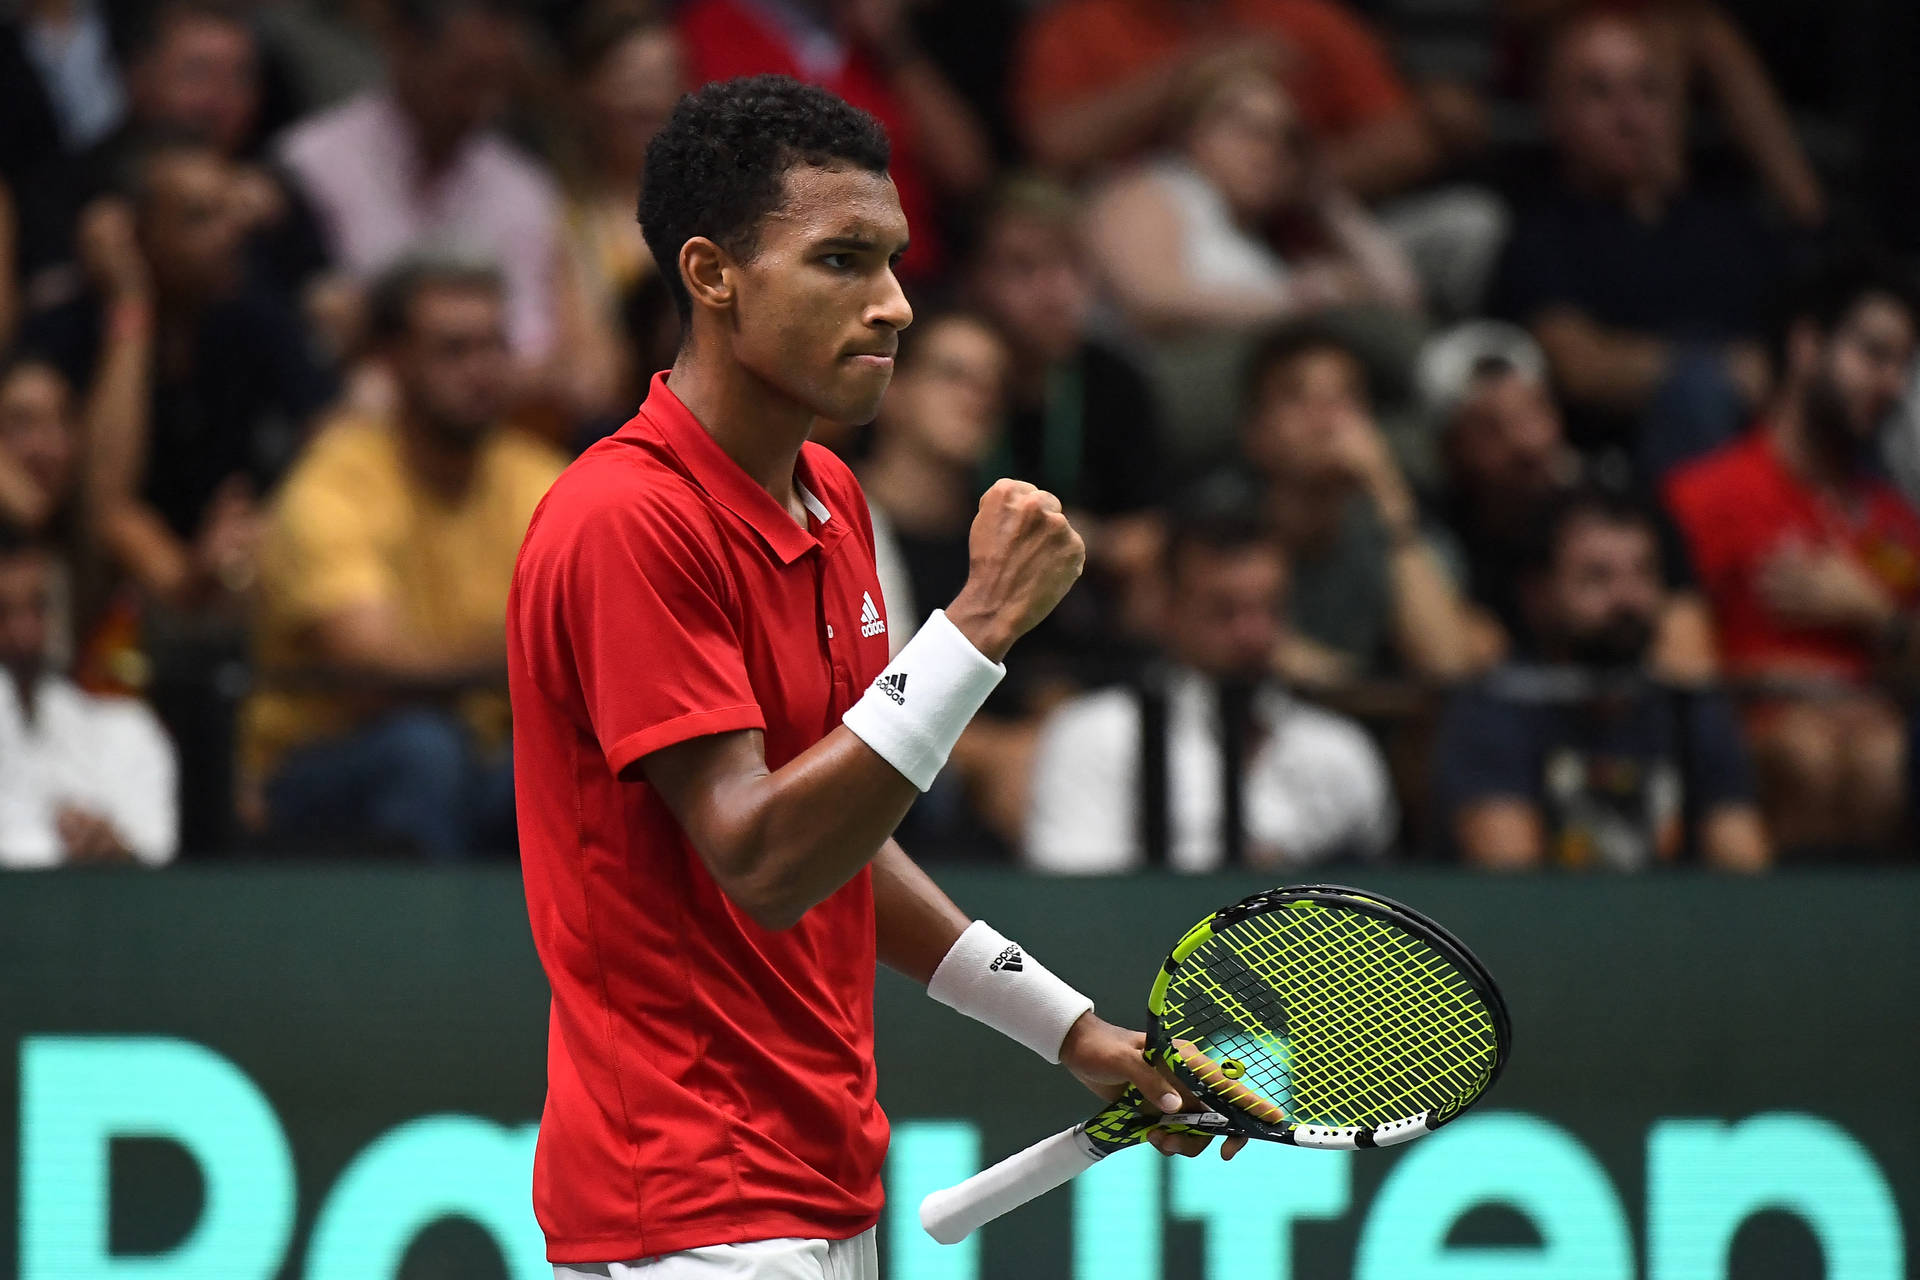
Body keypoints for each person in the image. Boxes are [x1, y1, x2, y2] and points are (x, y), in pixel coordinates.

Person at [509, 76, 1238, 1280]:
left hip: (818, 1182)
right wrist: (979, 624)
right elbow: (763, 857)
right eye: (842, 261)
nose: (895, 304)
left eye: (895, 260)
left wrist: (1072, 1030)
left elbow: (843, 836)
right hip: (696, 1207)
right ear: (712, 274)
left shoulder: (828, 497)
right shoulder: (624, 520)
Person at [243, 258, 563, 858]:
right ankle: (430, 950)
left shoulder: (542, 480)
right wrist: (524, 647)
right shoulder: (333, 483)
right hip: (320, 766)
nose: (482, 370)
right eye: (453, 350)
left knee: (577, 762)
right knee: (423, 748)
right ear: (391, 360)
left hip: (486, 759)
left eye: (494, 345)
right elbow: (372, 676)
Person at [1664, 256, 1920, 853]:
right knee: (1808, 750)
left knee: (1883, 755)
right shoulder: (1703, 496)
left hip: (1875, 748)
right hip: (1756, 750)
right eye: (1873, 356)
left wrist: (1876, 616)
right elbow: (1678, 666)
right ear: (1806, 346)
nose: (1893, 385)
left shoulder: (1896, 521)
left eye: (1902, 366)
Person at [1488, 7, 1794, 476]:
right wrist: (1727, 371)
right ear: (1553, 113)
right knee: (1700, 391)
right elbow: (1582, 368)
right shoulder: (1541, 236)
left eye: (1648, 91)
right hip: (1627, 476)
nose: (1630, 116)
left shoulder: (1734, 226)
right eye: (1599, 93)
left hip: (1773, 460)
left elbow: (1795, 348)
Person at [1025, 501, 1395, 872]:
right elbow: (1079, 903)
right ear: (1168, 609)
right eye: (1224, 611)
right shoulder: (1095, 735)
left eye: (1270, 608)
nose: (1253, 634)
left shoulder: (1341, 749)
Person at [1433, 488, 1768, 872]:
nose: (1627, 598)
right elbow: (1510, 878)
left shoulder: (1690, 707)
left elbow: (1743, 868)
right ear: (1537, 594)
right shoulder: (1497, 705)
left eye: (1643, 572)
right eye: (1597, 577)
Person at [276, 0, 565, 372]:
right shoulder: (311, 166)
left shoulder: (523, 188)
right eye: (465, 78)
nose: (483, 105)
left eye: (495, 81)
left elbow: (535, 348)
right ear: (405, 49)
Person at [1422, 319, 1716, 679]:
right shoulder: (1438, 529)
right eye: (1491, 428)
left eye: (1535, 410)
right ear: (1451, 450)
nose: (1528, 444)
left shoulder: (1621, 498)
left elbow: (1687, 653)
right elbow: (1454, 661)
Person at [1223, 322, 1479, 685]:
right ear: (1255, 432)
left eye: (1345, 398)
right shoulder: (1218, 527)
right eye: (1298, 397)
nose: (1327, 419)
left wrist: (1389, 495)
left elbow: (1447, 667)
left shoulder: (1402, 538)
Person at [1082, 65, 1421, 338]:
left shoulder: (1253, 237)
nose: (1267, 150)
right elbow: (1150, 302)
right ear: (1191, 133)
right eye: (1248, 129)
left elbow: (1400, 301)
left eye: (1284, 138)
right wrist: (1302, 299)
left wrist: (1324, 197)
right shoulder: (1154, 190)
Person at [675, 0, 993, 280]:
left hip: (908, 275)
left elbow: (966, 174)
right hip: (783, 275)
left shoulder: (878, 38)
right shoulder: (707, 29)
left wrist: (894, 47)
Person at [1013, 0, 1438, 199]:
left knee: (1468, 221)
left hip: (1298, 231)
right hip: (1136, 236)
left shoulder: (1301, 16)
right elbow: (1055, 146)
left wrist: (1278, 182)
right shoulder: (1081, 22)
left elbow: (1405, 143)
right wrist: (1192, 72)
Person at [0, 525, 178, 868]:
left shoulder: (130, 732)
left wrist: (113, 850)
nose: (22, 636)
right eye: (1, 614)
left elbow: (155, 851)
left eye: (39, 608)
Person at [553, 0, 687, 426]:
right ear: (586, 93)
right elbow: (587, 379)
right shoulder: (562, 214)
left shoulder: (716, 211)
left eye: (664, 79)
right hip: (612, 423)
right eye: (631, 79)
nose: (650, 97)